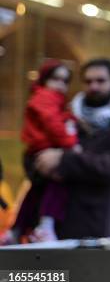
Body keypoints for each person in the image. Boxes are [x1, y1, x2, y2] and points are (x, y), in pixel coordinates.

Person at [33, 58, 110, 239]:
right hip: (55, 222)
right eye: (88, 81)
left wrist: (63, 159)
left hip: (96, 223)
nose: (93, 86)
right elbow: (37, 156)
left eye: (100, 81)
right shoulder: (66, 116)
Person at [0, 59, 78, 244]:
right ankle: (46, 225)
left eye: (65, 81)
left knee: (36, 192)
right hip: (42, 152)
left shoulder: (53, 100)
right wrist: (71, 143)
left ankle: (17, 229)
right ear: (44, 79)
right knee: (58, 184)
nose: (60, 85)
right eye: (56, 79)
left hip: (39, 151)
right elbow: (53, 125)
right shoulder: (45, 98)